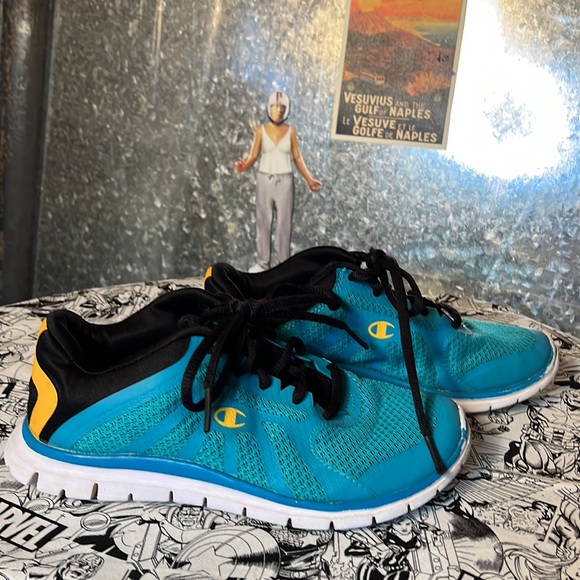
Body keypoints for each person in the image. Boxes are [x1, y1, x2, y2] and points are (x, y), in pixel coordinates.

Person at [235, 91, 322, 273]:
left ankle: (284, 263)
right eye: (276, 107)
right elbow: (253, 155)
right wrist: (244, 166)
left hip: (285, 181)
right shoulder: (261, 130)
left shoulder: (290, 131)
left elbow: (297, 158)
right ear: (270, 108)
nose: (279, 110)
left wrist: (309, 179)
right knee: (263, 222)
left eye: (282, 107)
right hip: (264, 179)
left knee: (284, 224)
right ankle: (262, 263)